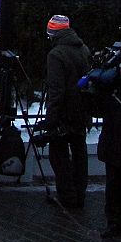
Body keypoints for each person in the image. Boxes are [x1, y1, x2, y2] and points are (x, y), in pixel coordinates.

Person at [43, 15, 92, 210]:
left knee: (59, 156)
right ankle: (80, 194)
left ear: (53, 33)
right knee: (80, 153)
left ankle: (66, 196)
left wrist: (51, 118)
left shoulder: (56, 54)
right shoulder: (83, 49)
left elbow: (56, 90)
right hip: (82, 110)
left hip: (64, 113)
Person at [89, 57, 121, 239]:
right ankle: (114, 223)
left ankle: (117, 223)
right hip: (114, 143)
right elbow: (97, 109)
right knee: (113, 188)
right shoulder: (110, 88)